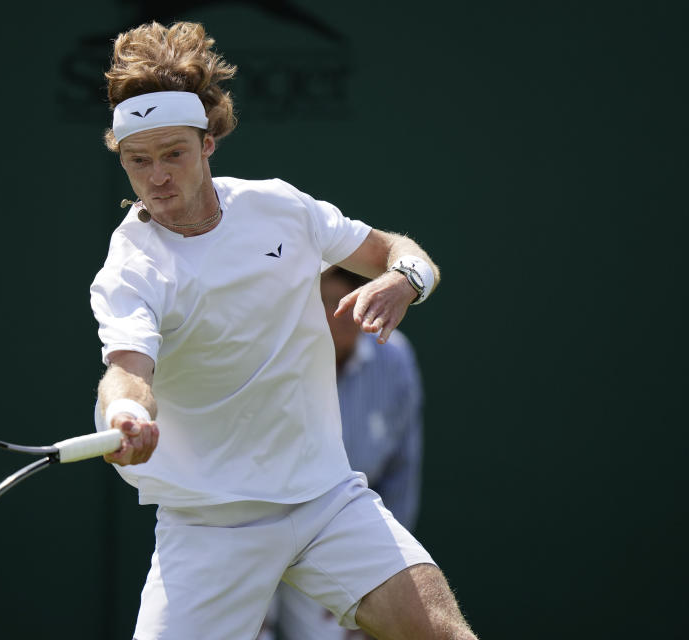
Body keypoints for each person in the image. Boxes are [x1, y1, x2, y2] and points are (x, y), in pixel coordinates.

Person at [89, 21, 477, 640]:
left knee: (442, 632)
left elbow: (400, 253)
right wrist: (124, 418)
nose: (158, 177)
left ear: (207, 145)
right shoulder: (132, 267)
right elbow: (128, 373)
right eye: (139, 161)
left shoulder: (281, 208)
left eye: (174, 155)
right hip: (210, 525)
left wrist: (405, 279)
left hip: (324, 500)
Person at [260, 266, 426, 640]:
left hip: (336, 531)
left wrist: (381, 565)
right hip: (257, 523)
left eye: (350, 302)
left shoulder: (395, 360)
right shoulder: (267, 355)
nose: (337, 314)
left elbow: (402, 469)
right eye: (323, 302)